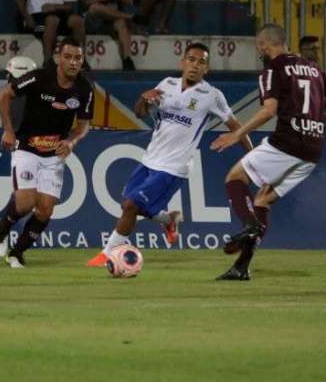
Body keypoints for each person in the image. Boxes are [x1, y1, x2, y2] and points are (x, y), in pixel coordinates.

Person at [84, 43, 252, 268]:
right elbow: (139, 112)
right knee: (127, 204)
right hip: (150, 159)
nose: (194, 65)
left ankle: (108, 253)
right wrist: (144, 99)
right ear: (182, 62)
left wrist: (253, 157)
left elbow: (236, 127)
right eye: (191, 59)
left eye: (201, 62)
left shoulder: (212, 95)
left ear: (207, 69)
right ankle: (168, 219)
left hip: (174, 166)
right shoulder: (167, 84)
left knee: (132, 206)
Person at [210, 24, 326, 281]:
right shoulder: (314, 69)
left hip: (287, 142)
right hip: (313, 149)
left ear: (266, 45)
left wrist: (237, 134)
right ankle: (241, 267)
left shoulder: (273, 69)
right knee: (262, 200)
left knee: (235, 177)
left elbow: (269, 111)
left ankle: (250, 226)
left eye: (259, 48)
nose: (260, 52)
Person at [0, 37, 93, 268]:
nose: (73, 62)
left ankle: (16, 253)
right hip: (26, 148)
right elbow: (4, 95)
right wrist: (7, 130)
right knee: (25, 203)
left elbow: (84, 124)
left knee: (45, 209)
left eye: (78, 58)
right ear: (58, 58)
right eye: (68, 57)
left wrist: (72, 141)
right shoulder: (39, 77)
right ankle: (3, 229)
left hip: (54, 154)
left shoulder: (85, 88)